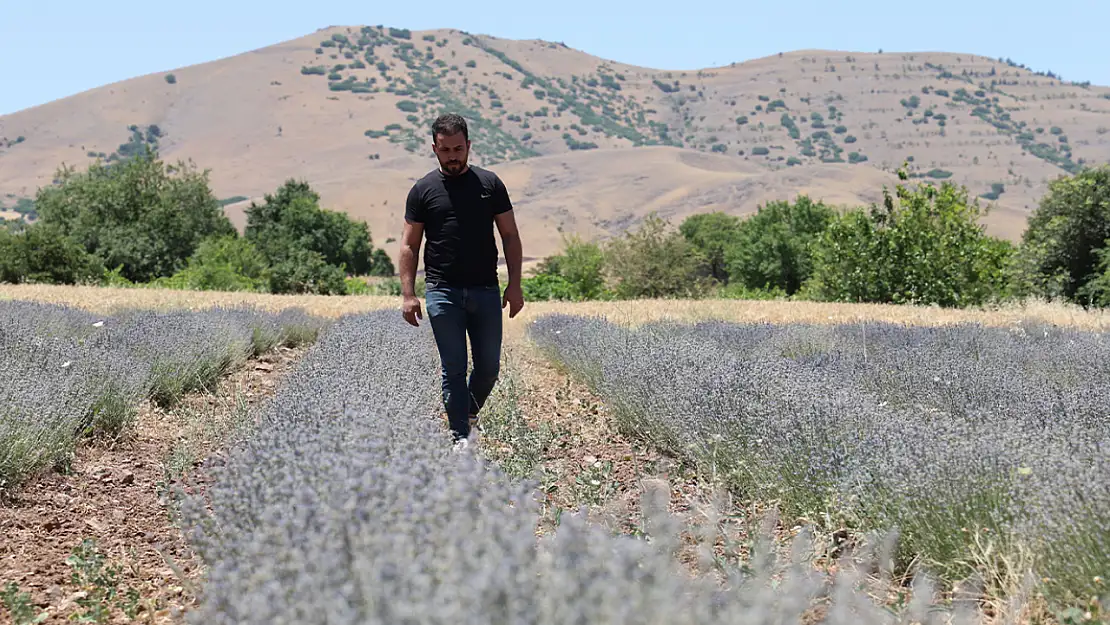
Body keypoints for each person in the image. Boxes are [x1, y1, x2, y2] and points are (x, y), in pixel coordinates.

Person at [398, 113, 525, 451]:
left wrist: (515, 284)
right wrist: (408, 294)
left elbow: (510, 236)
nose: (452, 156)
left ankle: (466, 412)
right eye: (445, 150)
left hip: (485, 290)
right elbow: (410, 245)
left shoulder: (490, 185)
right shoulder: (423, 190)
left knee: (488, 369)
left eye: (458, 149)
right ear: (434, 149)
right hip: (442, 291)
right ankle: (460, 439)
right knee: (453, 367)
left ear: (469, 146)